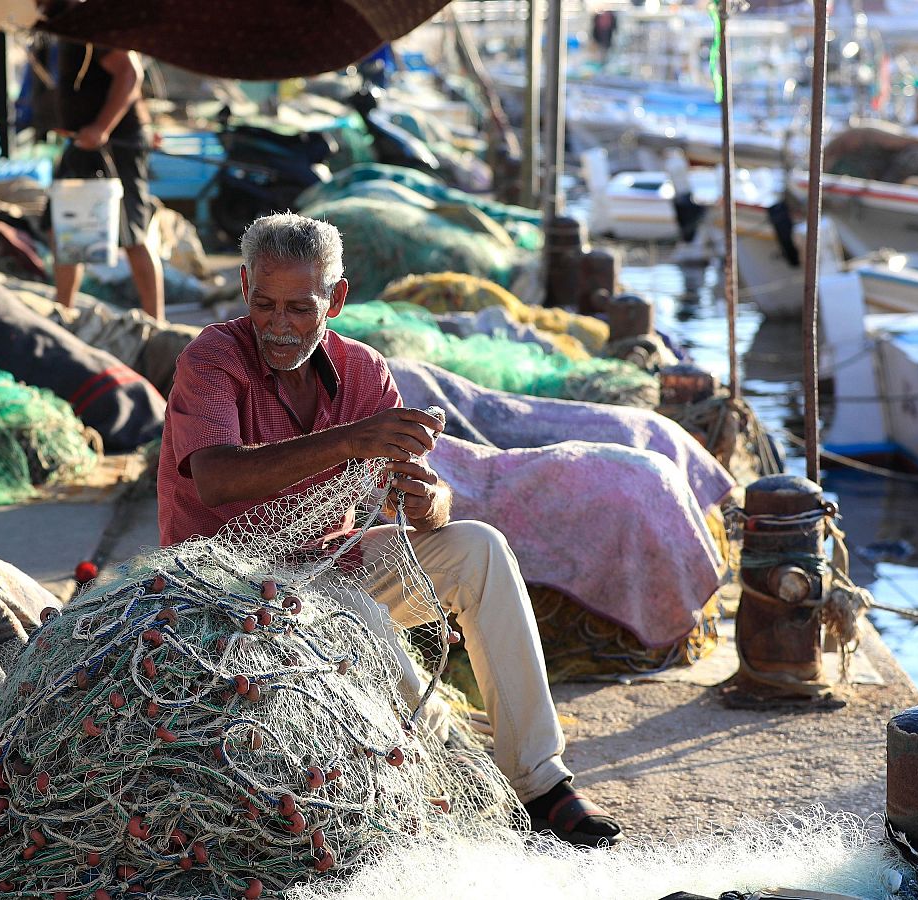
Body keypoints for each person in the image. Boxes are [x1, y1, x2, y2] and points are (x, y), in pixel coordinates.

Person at [155, 213, 624, 849]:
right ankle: (460, 778)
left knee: (480, 549)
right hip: (222, 583)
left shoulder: (365, 371)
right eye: (264, 303)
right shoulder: (211, 359)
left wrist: (428, 500)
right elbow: (214, 479)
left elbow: (422, 503)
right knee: (357, 616)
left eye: (299, 307)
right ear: (242, 286)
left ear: (337, 300)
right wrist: (351, 440)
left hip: (330, 566)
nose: (278, 323)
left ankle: (541, 782)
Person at [40, 0, 164, 321]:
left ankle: (156, 321)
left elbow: (129, 73)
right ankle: (63, 312)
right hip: (81, 143)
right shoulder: (61, 25)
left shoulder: (93, 22)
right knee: (62, 225)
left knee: (133, 232)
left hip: (116, 144)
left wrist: (101, 128)